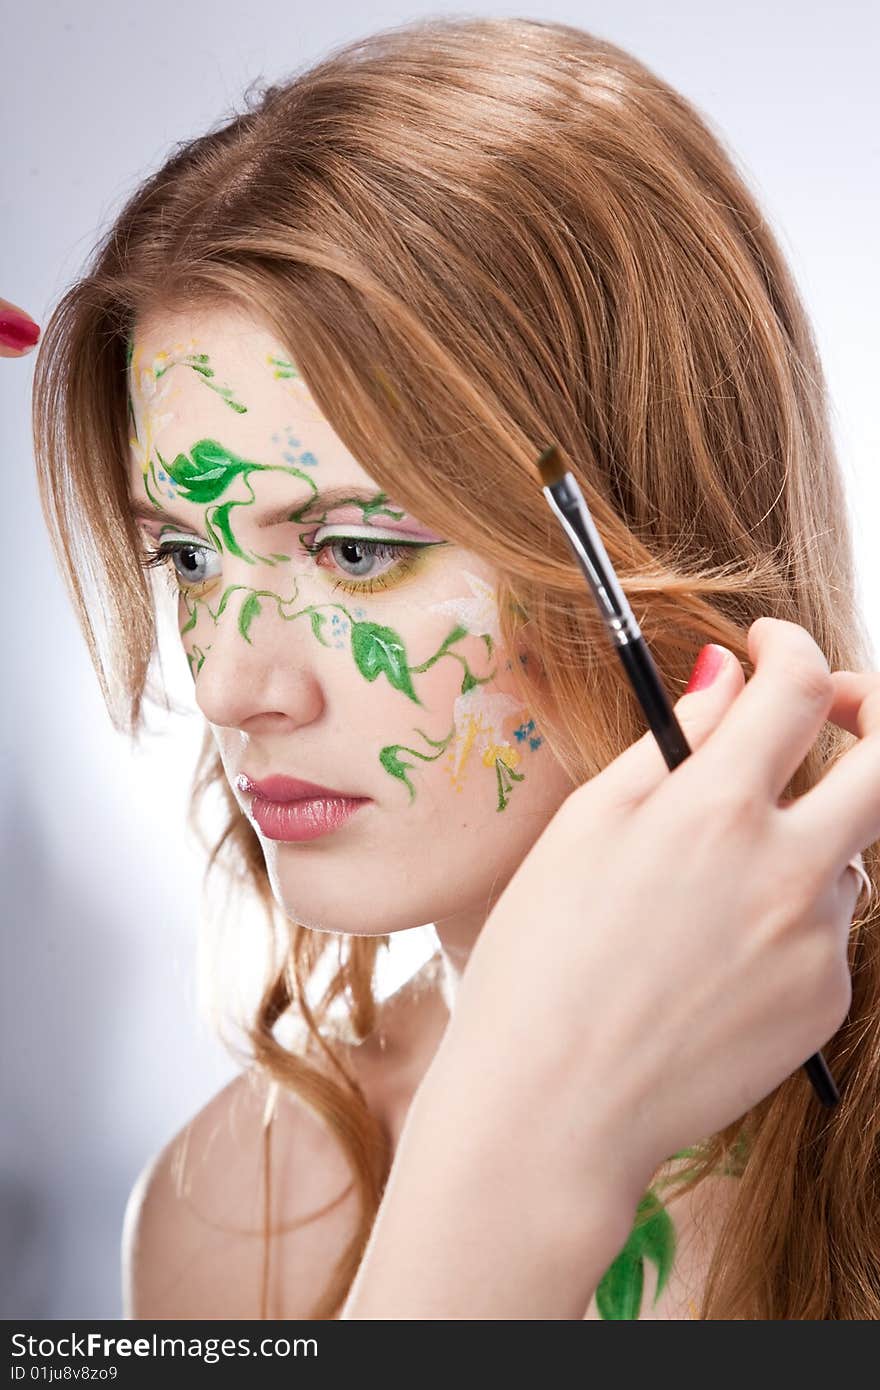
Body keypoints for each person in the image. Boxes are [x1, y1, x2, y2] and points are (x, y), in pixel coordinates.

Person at [27, 17, 880, 1319]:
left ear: (652, 533)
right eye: (189, 560)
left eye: (358, 547)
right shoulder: (238, 1214)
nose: (229, 687)